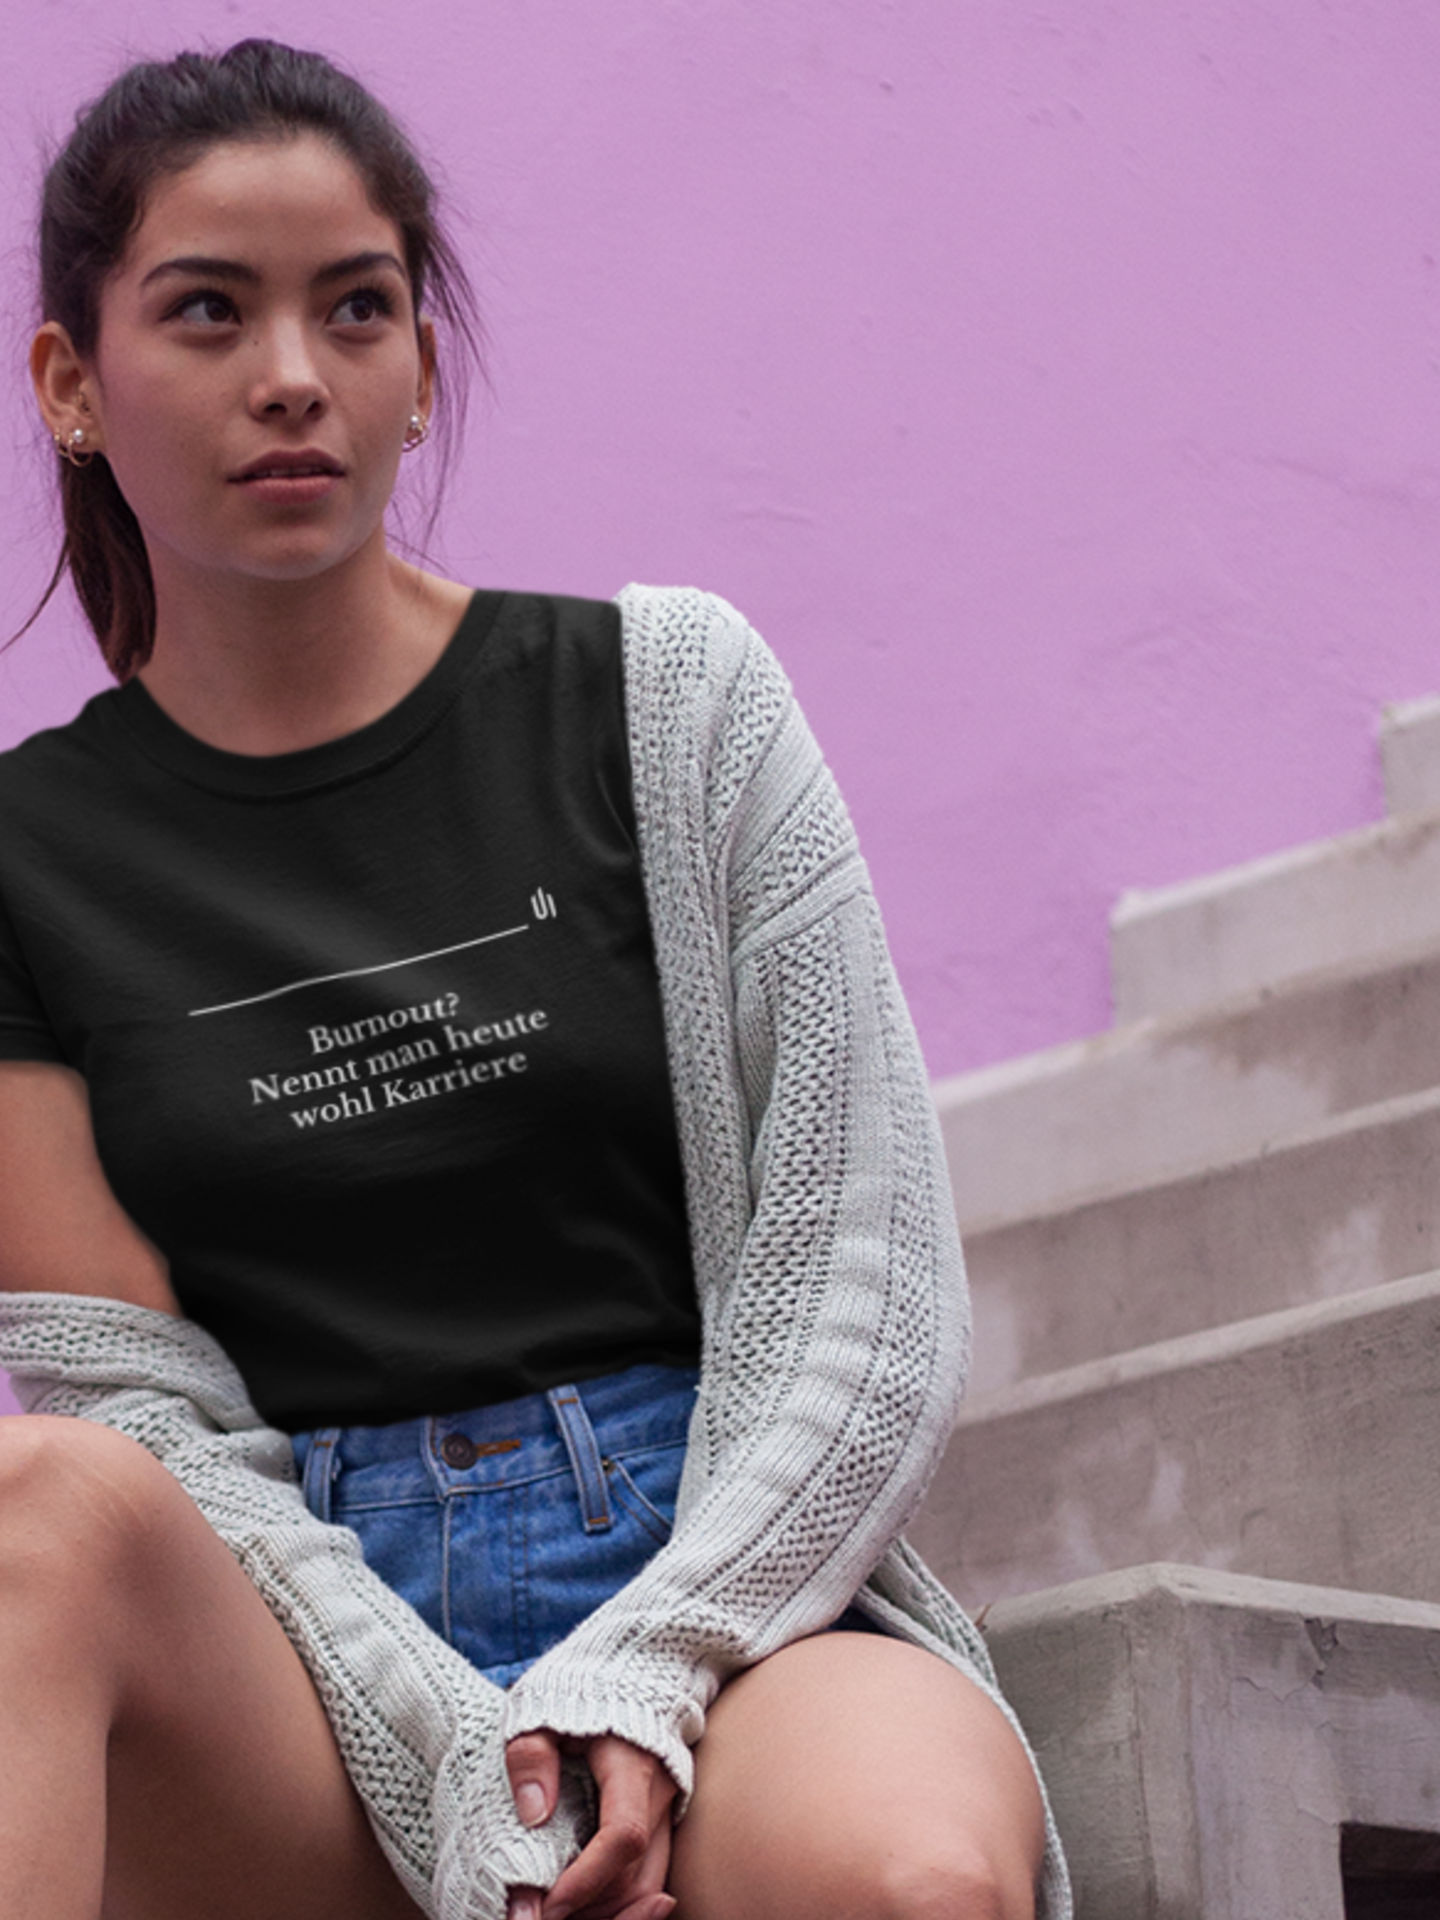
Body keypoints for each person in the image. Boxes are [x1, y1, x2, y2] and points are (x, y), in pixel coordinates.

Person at [0, 39, 1068, 1920]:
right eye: (207, 313)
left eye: (357, 309)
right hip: (291, 1644)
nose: (291, 379)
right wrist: (466, 1765)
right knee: (42, 1516)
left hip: (716, 1571)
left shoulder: (669, 699)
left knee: (906, 1881)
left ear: (419, 364)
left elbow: (863, 1285)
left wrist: (640, 1672)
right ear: (74, 384)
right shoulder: (25, 857)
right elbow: (130, 1408)